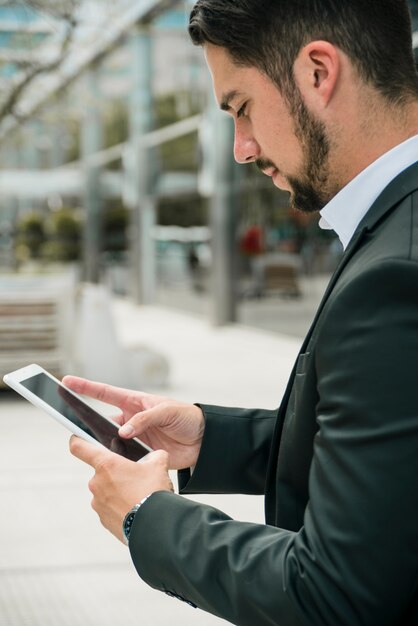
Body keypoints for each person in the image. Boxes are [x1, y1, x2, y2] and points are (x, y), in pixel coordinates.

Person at [66, 1, 418, 624]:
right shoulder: (395, 233)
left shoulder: (394, 274)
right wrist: (212, 438)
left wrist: (148, 518)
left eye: (241, 108)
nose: (241, 148)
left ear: (317, 72)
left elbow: (334, 594)